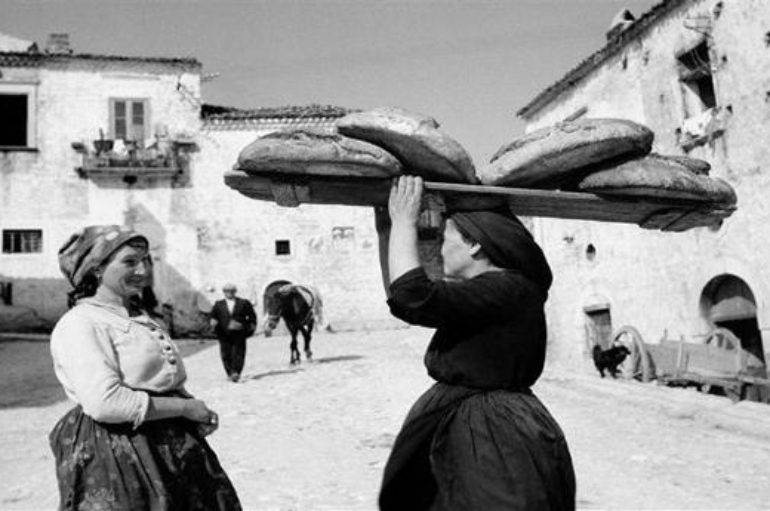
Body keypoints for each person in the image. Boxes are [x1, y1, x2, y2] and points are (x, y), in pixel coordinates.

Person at [378, 176, 576, 511]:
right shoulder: (496, 290)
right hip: (473, 420)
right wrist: (387, 229)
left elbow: (411, 295)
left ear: (474, 245)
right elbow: (402, 298)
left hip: (492, 432)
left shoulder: (508, 288)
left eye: (445, 238)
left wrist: (403, 222)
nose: (439, 250)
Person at [49, 225, 241, 510]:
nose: (143, 271)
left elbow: (162, 380)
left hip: (170, 446)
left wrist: (190, 411)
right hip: (119, 450)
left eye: (146, 260)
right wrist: (185, 409)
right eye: (129, 262)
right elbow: (106, 402)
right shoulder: (82, 323)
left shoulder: (140, 317)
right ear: (96, 269)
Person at [210, 283, 257, 382]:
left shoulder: (243, 303)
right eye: (227, 291)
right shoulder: (218, 304)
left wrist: (245, 326)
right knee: (226, 354)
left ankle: (236, 372)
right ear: (224, 293)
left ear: (235, 292)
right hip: (223, 333)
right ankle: (229, 372)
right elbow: (213, 316)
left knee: (239, 353)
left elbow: (252, 317)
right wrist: (213, 322)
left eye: (232, 291)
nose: (229, 293)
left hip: (239, 333)